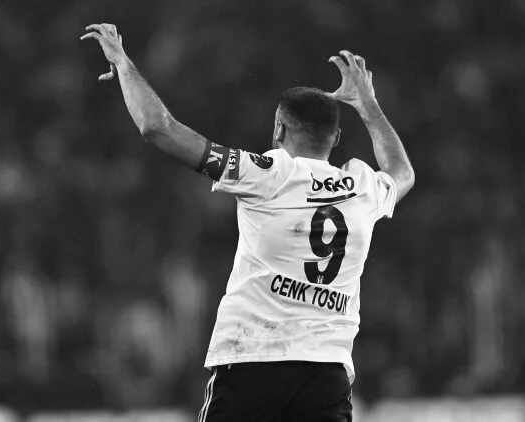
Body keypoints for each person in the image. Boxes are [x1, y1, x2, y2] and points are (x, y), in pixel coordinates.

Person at [81, 23, 414, 422]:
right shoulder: (362, 186)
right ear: (337, 137)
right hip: (326, 373)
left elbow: (158, 127)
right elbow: (402, 171)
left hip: (252, 363)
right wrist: (368, 104)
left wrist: (123, 63)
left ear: (279, 129)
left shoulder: (267, 173)